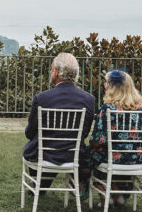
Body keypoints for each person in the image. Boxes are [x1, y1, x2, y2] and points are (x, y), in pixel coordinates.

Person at [22, 53, 96, 190]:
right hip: (73, 155)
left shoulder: (42, 98)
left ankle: (40, 183)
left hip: (44, 155)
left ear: (56, 71)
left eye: (51, 69)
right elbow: (84, 134)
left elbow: (30, 132)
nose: (51, 72)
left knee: (33, 146)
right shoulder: (89, 99)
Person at [81, 70, 142, 205]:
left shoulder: (107, 109)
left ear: (113, 88)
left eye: (107, 83)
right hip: (136, 158)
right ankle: (117, 192)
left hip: (112, 158)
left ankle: (102, 189)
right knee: (99, 153)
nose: (104, 85)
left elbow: (97, 141)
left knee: (87, 154)